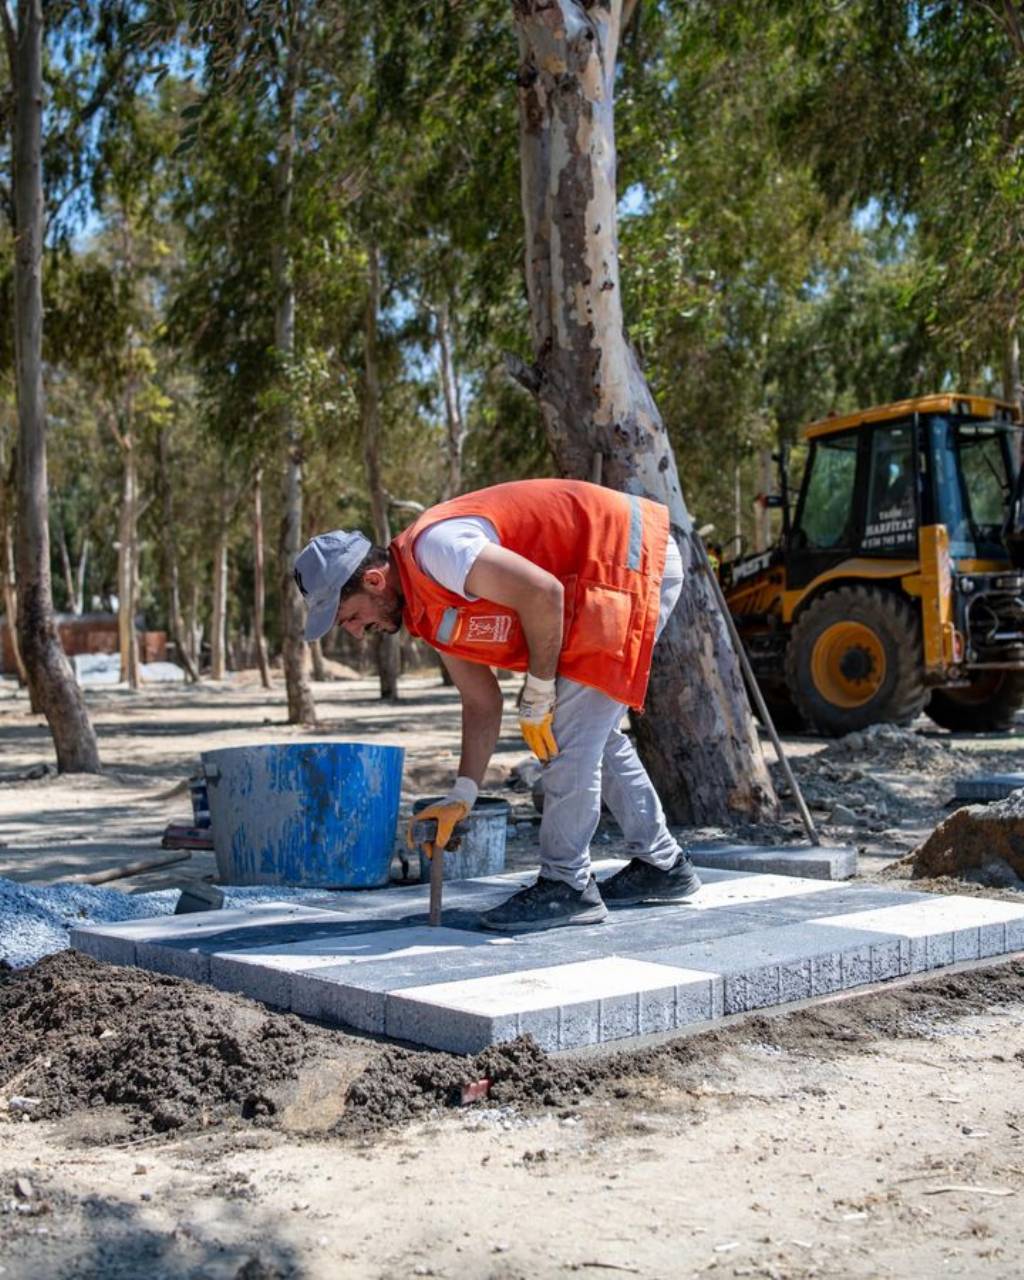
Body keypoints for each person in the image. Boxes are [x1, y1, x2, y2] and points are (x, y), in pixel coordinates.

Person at [293, 478, 700, 932]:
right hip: (595, 577)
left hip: (626, 557)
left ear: (373, 580)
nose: (354, 632)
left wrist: (539, 690)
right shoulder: (425, 610)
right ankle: (663, 865)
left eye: (350, 617)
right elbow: (481, 700)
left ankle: (566, 886)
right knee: (590, 731)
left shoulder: (438, 550)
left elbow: (543, 593)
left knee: (568, 731)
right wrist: (462, 795)